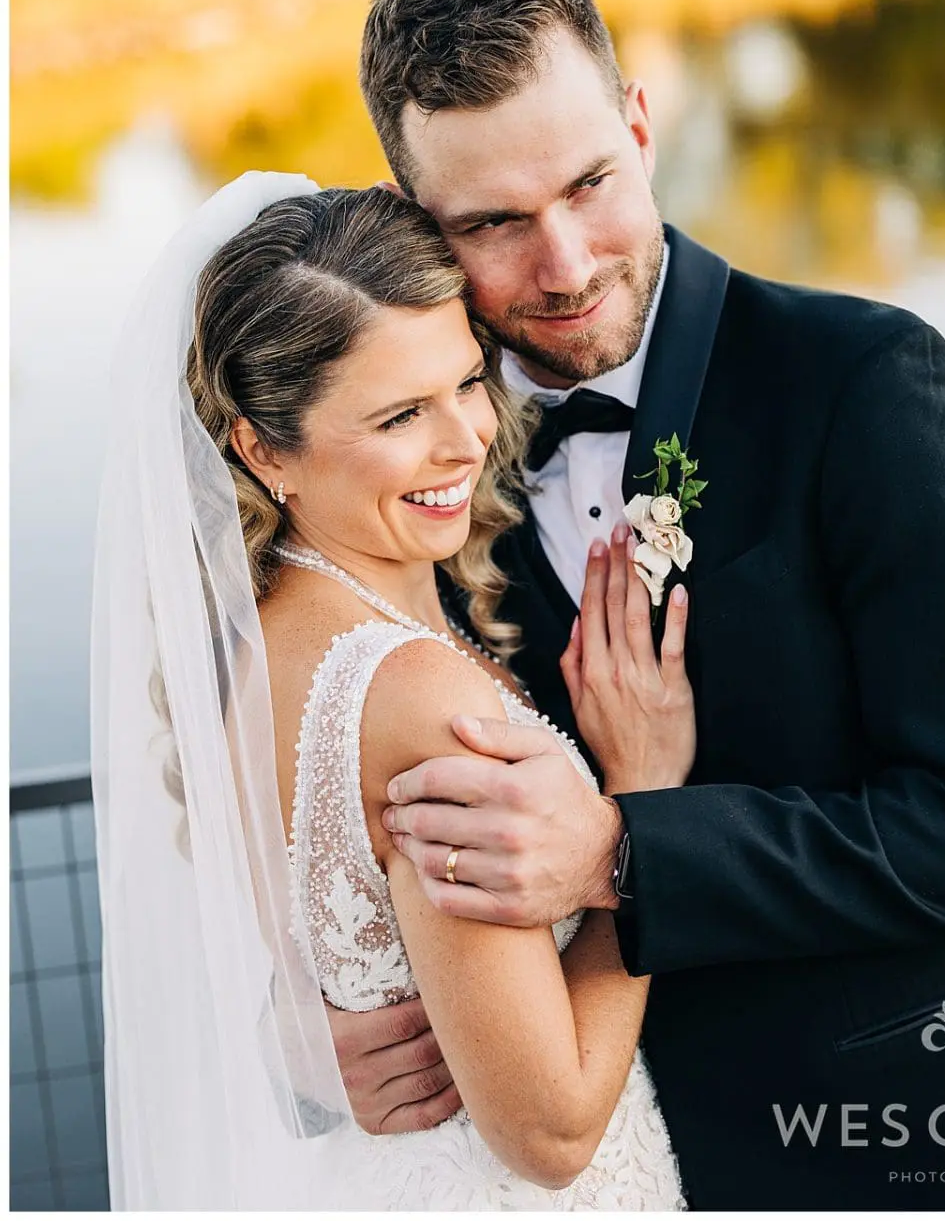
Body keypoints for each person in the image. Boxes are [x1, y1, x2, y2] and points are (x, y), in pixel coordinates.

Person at [327, 0, 945, 1208]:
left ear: (641, 123)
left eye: (589, 184)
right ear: (414, 220)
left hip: (845, 1134)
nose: (564, 265)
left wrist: (624, 851)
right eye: (493, 224)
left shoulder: (862, 382)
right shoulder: (385, 467)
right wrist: (322, 1036)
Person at [95, 176, 687, 1206]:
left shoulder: (253, 638)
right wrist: (642, 799)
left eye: (465, 380)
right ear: (263, 450)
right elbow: (550, 1130)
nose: (465, 438)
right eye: (402, 414)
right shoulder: (413, 699)